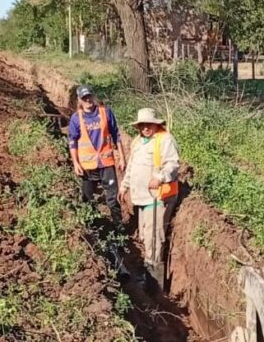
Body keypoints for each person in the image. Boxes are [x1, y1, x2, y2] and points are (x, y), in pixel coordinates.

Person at [119, 108, 180, 289]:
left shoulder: (165, 140)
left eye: (149, 124)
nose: (145, 128)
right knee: (146, 235)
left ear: (156, 124)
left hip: (159, 196)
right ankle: (147, 274)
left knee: (154, 236)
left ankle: (154, 283)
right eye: (142, 125)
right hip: (142, 198)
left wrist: (159, 177)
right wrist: (124, 186)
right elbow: (131, 166)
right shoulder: (138, 141)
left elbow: (173, 163)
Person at [68, 85, 126, 226]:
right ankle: (93, 229)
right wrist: (75, 163)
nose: (87, 100)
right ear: (80, 100)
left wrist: (122, 157)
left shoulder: (105, 112)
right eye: (84, 98)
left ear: (93, 96)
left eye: (89, 96)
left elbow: (116, 135)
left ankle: (118, 227)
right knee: (87, 198)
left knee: (113, 198)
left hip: (106, 163)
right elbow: (72, 142)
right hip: (87, 167)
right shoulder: (76, 118)